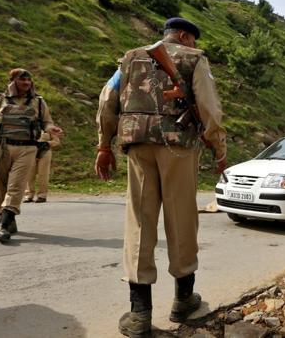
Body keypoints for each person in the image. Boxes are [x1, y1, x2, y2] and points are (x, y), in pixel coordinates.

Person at [95, 17, 227, 337]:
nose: (193, 45)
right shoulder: (195, 59)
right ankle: (183, 301)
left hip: (138, 146)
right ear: (183, 36)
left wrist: (104, 145)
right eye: (192, 39)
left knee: (140, 223)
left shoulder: (129, 58)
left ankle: (140, 315)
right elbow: (209, 108)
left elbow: (106, 101)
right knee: (181, 221)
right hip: (179, 147)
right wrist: (219, 149)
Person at [0, 68, 62, 243]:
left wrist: (51, 128)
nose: (27, 84)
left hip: (27, 148)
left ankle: (4, 225)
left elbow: (47, 121)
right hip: (0, 147)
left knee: (17, 186)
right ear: (13, 81)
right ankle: (7, 218)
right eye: (22, 80)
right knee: (0, 185)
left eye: (29, 81)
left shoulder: (38, 102)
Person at [24, 131, 60, 203]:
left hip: (45, 151)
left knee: (43, 174)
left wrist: (47, 143)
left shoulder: (48, 128)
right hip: (30, 151)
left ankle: (42, 195)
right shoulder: (28, 126)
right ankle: (29, 195)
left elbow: (56, 141)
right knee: (29, 174)